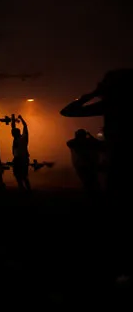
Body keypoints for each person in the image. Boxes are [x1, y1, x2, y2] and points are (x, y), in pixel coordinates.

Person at [60, 69, 133, 285]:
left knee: (117, 213)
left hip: (120, 164)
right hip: (119, 162)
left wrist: (90, 95)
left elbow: (68, 111)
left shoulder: (111, 106)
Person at [66, 129, 102, 196]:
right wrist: (91, 137)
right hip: (86, 165)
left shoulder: (78, 143)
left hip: (83, 165)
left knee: (89, 182)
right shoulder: (87, 142)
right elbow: (99, 144)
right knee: (91, 181)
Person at [11, 115, 31, 192]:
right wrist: (13, 120)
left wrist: (21, 118)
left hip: (23, 159)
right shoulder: (16, 139)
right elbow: (13, 127)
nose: (12, 134)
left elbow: (25, 126)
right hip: (17, 159)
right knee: (18, 176)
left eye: (13, 133)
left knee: (23, 176)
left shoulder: (23, 138)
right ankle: (22, 189)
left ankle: (27, 190)